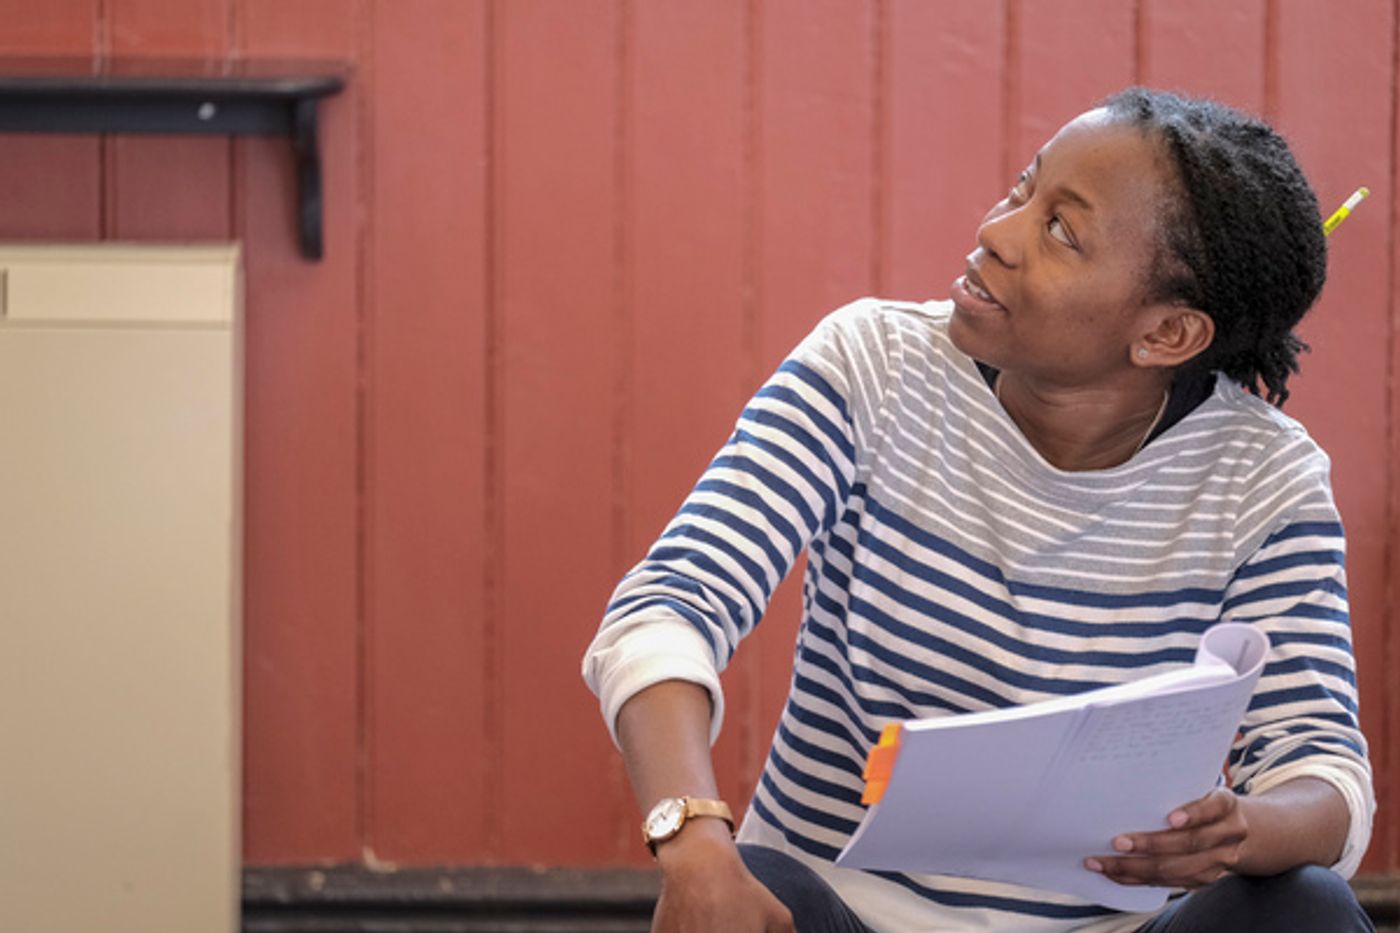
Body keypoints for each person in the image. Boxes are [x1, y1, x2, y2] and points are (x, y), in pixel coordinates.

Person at [582, 87, 1376, 932]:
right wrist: (695, 838)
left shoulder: (1265, 475)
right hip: (841, 907)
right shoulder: (872, 367)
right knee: (755, 879)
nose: (997, 231)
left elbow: (1322, 773)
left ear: (1168, 336)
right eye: (1021, 190)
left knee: (1304, 907)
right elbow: (668, 606)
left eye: (1060, 231)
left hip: (1117, 925)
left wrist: (1241, 829)